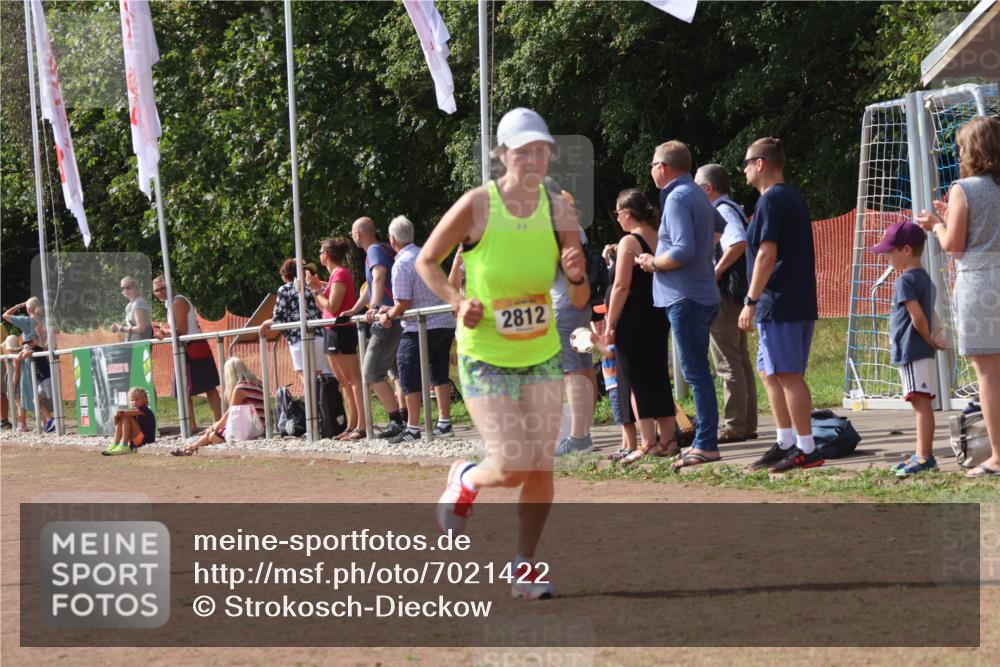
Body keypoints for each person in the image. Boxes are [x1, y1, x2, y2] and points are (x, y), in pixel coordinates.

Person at [416, 107, 588, 600]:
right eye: (524, 150)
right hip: (486, 352)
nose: (535, 159)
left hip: (541, 352)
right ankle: (467, 477)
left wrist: (577, 275)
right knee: (512, 464)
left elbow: (578, 298)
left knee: (541, 465)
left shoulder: (561, 208)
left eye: (542, 150)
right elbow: (428, 260)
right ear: (501, 155)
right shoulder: (477, 205)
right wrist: (456, 301)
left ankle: (523, 568)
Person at [917, 115, 1000, 478]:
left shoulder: (964, 188)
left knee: (989, 375)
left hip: (981, 283)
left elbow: (954, 245)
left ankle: (997, 457)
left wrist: (937, 224)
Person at [737, 137, 822, 473]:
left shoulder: (773, 199)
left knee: (787, 374)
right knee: (769, 371)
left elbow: (766, 253)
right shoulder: (792, 197)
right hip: (791, 298)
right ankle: (786, 440)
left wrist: (750, 300)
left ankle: (806, 447)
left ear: (761, 164)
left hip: (780, 300)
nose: (743, 169)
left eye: (746, 162)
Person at [637, 141, 722, 469]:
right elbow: (719, 228)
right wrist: (701, 259)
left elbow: (683, 249)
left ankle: (706, 444)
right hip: (701, 293)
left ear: (665, 167)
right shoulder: (698, 193)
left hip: (685, 297)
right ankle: (706, 440)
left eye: (653, 163)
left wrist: (654, 263)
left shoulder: (675, 197)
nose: (651, 169)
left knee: (696, 373)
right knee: (699, 372)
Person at [606, 189, 677, 461]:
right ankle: (668, 439)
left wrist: (611, 322)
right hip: (658, 313)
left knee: (637, 380)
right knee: (658, 376)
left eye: (617, 213)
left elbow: (621, 285)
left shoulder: (628, 242)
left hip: (633, 317)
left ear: (627, 213)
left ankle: (647, 442)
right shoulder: (659, 237)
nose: (617, 218)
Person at [869, 221, 943, 476]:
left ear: (907, 250)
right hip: (918, 350)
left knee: (920, 403)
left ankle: (924, 457)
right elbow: (932, 315)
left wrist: (930, 339)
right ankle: (921, 454)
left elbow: (918, 317)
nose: (887, 256)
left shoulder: (905, 281)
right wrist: (937, 336)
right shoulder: (925, 279)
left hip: (913, 349)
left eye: (890, 251)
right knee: (921, 402)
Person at [376, 215, 457, 442]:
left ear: (392, 240)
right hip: (444, 323)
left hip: (421, 327)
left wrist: (387, 315)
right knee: (438, 372)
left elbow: (404, 304)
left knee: (408, 372)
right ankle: (444, 422)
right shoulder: (427, 256)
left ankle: (412, 427)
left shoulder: (401, 263)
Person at [695, 163, 758, 443]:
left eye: (697, 186)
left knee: (726, 361)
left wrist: (714, 272)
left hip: (723, 294)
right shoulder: (731, 207)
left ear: (708, 188)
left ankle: (734, 424)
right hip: (735, 294)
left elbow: (737, 243)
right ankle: (746, 423)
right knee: (740, 359)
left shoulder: (720, 210)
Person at [341, 216, 406, 438]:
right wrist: (355, 309)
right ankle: (401, 419)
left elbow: (379, 277)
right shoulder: (384, 249)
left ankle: (397, 421)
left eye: (352, 233)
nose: (352, 237)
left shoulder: (374, 252)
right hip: (393, 316)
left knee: (371, 371)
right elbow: (370, 286)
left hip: (387, 319)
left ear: (358, 234)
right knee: (385, 372)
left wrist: (376, 307)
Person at [550, 186, 597, 457]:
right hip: (579, 304)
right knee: (583, 365)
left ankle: (579, 437)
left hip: (563, 306)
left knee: (572, 370)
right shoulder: (575, 226)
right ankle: (584, 432)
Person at [309, 237, 366, 440]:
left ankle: (362, 424)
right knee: (343, 381)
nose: (319, 256)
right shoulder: (334, 276)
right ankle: (352, 425)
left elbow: (332, 307)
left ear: (327, 254)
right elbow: (323, 305)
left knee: (353, 379)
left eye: (321, 252)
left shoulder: (340, 274)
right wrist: (315, 288)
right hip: (331, 330)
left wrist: (316, 289)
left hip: (342, 329)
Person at [152, 275, 223, 432]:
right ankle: (195, 425)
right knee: (186, 390)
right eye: (156, 290)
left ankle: (216, 422)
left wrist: (164, 331)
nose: (159, 292)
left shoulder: (177, 302)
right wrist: (166, 332)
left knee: (207, 387)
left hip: (192, 348)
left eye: (162, 288)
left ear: (171, 286)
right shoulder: (171, 304)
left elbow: (181, 331)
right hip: (187, 348)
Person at [171, 358, 265, 455]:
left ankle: (191, 447)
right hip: (260, 423)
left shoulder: (240, 388)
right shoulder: (257, 383)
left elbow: (229, 413)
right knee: (212, 433)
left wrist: (213, 428)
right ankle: (192, 447)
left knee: (212, 435)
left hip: (252, 427)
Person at [260, 258, 331, 380]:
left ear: (285, 273)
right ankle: (319, 399)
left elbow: (278, 318)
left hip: (298, 338)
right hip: (320, 336)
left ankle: (313, 400)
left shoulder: (285, 289)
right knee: (318, 380)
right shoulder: (316, 287)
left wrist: (266, 322)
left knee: (307, 381)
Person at [3, 298, 54, 432]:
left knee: (28, 394)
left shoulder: (27, 321)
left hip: (30, 360)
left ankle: (46, 421)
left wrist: (17, 305)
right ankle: (47, 422)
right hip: (42, 358)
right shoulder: (44, 320)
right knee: (35, 396)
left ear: (28, 309)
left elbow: (5, 315)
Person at [102, 387, 156, 456]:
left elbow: (125, 413)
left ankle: (124, 445)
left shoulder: (144, 409)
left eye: (137, 399)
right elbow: (116, 423)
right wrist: (116, 416)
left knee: (126, 417)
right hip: (135, 440)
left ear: (145, 399)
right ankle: (116, 444)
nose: (134, 402)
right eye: (132, 400)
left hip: (145, 440)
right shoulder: (133, 410)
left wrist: (119, 413)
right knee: (123, 417)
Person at [110, 276, 153, 341]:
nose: (125, 290)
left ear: (136, 288)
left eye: (128, 287)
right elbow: (131, 327)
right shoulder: (129, 305)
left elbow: (141, 328)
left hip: (141, 344)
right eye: (123, 288)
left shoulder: (138, 303)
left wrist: (121, 328)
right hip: (133, 343)